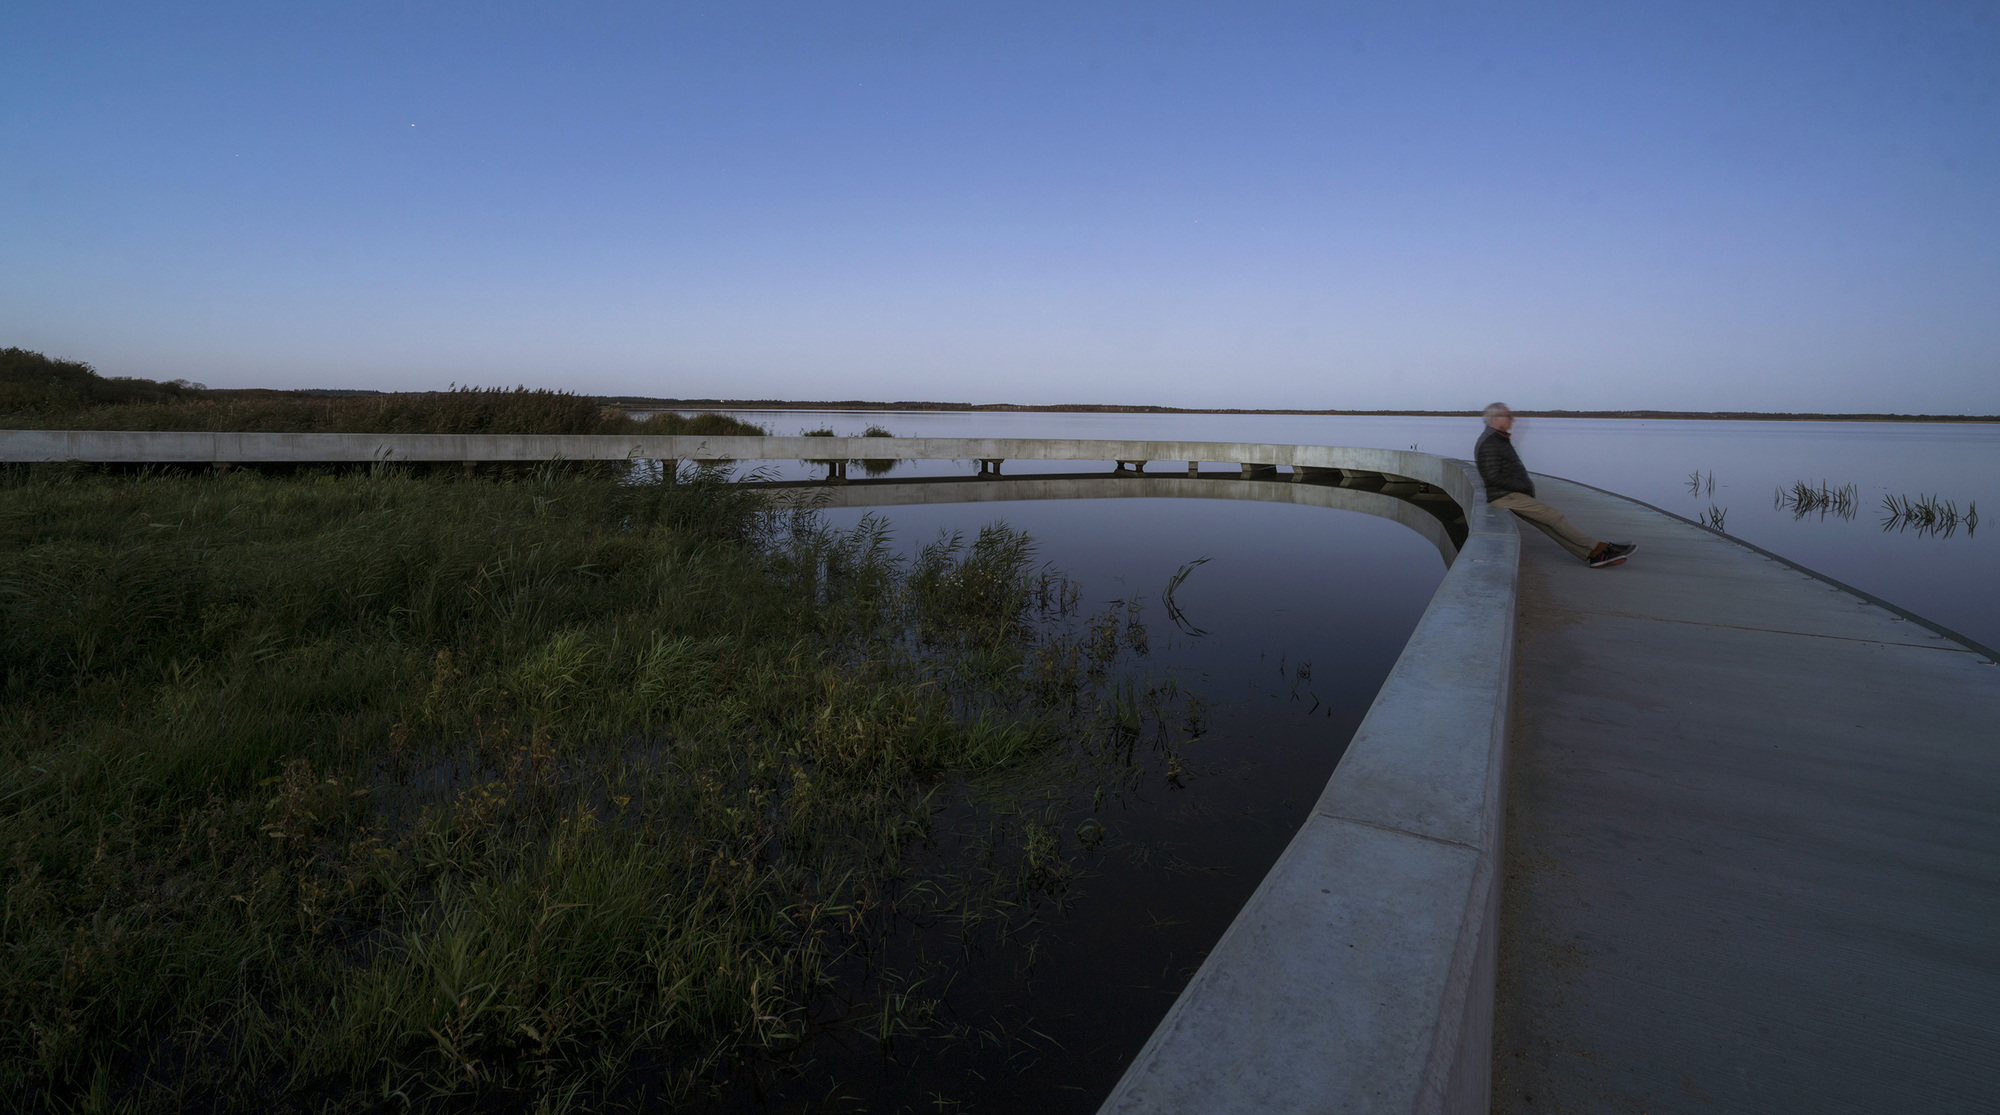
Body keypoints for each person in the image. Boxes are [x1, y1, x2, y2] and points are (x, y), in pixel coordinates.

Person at [1475, 403, 1637, 568]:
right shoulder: (1490, 442)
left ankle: (1593, 555)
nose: (1513, 419)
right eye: (1508, 416)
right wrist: (1522, 487)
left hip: (1509, 494)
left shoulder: (1498, 438)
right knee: (1554, 517)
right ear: (1495, 419)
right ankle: (1598, 547)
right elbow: (1492, 477)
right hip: (1505, 496)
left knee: (1548, 524)